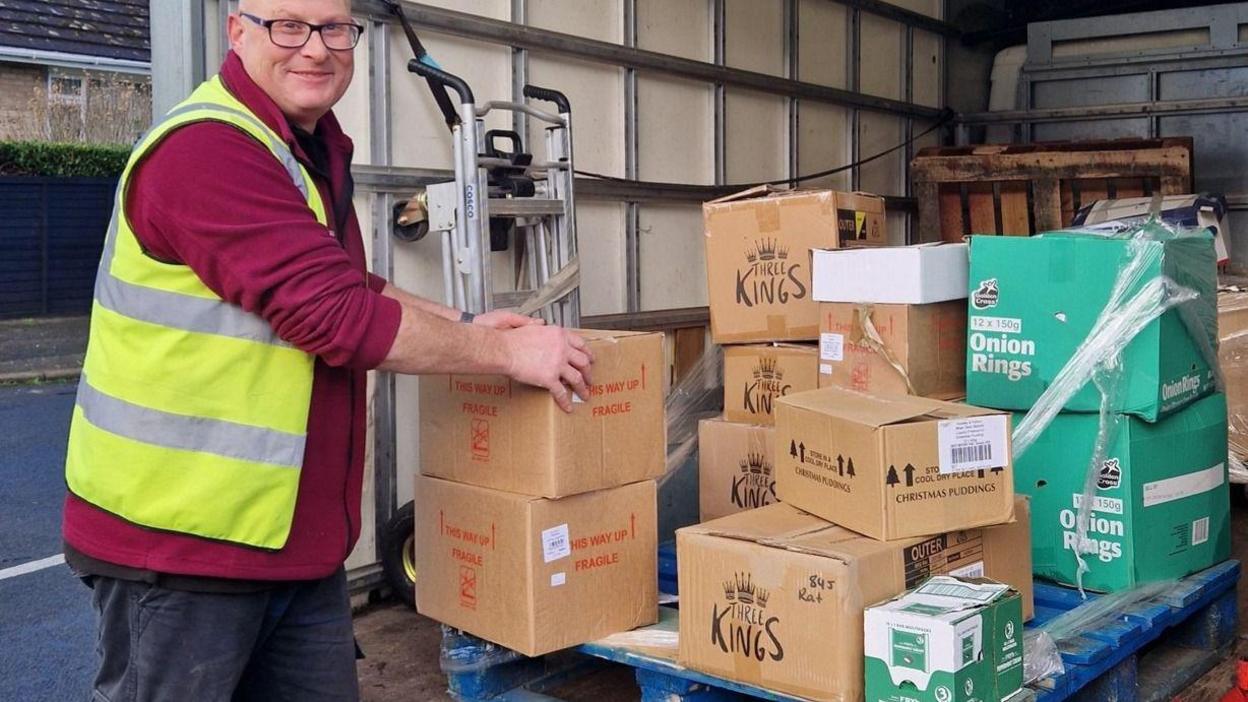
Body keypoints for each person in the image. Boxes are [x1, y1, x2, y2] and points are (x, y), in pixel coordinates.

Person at [61, 0, 592, 699]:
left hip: (290, 548)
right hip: (181, 552)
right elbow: (336, 315)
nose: (315, 49)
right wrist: (511, 357)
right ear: (237, 31)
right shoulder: (207, 150)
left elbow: (346, 283)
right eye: (288, 25)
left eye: (334, 28)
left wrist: (467, 322)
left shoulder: (302, 145)